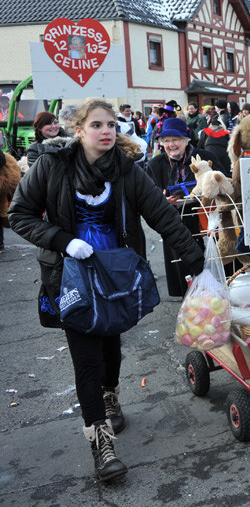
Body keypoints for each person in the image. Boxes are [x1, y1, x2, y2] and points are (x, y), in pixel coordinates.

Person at [8, 98, 204, 482]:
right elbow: (19, 214)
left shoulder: (127, 170)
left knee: (111, 341)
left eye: (112, 125)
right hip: (69, 275)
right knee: (85, 356)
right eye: (97, 125)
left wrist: (197, 264)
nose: (107, 131)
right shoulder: (52, 165)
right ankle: (101, 444)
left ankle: (110, 395)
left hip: (115, 274)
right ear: (79, 130)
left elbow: (163, 216)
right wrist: (63, 240)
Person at [146, 117, 224, 296]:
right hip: (176, 224)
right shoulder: (155, 165)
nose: (171, 145)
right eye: (166, 141)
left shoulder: (206, 157)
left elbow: (224, 181)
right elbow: (147, 196)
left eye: (175, 139)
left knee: (217, 267)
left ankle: (221, 296)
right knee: (186, 274)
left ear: (186, 140)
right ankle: (191, 302)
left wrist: (206, 190)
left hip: (208, 219)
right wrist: (162, 200)